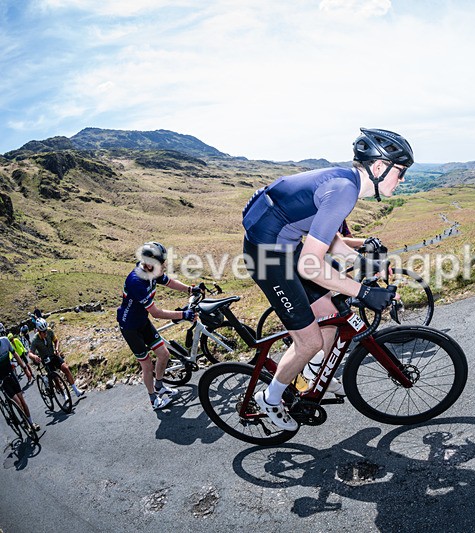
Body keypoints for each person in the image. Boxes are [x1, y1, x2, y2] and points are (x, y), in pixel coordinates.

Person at [241, 127, 413, 430]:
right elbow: (310, 265)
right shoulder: (345, 190)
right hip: (267, 257)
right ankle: (270, 398)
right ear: (378, 167)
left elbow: (328, 240)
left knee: (332, 316)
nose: (402, 180)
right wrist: (363, 292)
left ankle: (312, 376)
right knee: (308, 342)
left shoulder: (346, 182)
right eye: (400, 172)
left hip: (286, 244)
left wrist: (363, 264)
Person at [116, 241, 199, 410]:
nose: (164, 265)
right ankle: (153, 399)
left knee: (164, 355)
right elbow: (156, 313)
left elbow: (169, 282)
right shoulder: (136, 281)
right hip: (130, 327)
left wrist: (190, 290)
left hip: (142, 320)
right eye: (162, 263)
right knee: (147, 365)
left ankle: (160, 387)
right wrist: (184, 315)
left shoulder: (152, 270)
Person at [28, 318, 84, 399]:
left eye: (46, 330)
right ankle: (63, 394)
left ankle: (76, 390)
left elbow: (56, 340)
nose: (45, 333)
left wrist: (57, 348)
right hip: (46, 360)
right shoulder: (35, 340)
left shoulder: (49, 331)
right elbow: (30, 353)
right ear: (39, 331)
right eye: (43, 332)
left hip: (53, 355)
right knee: (56, 378)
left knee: (66, 368)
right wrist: (35, 357)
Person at [0, 323, 38, 431]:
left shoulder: (5, 341)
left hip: (10, 373)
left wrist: (25, 368)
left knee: (22, 399)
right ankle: (26, 424)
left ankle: (31, 423)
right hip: (2, 379)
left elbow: (15, 354)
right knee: (17, 401)